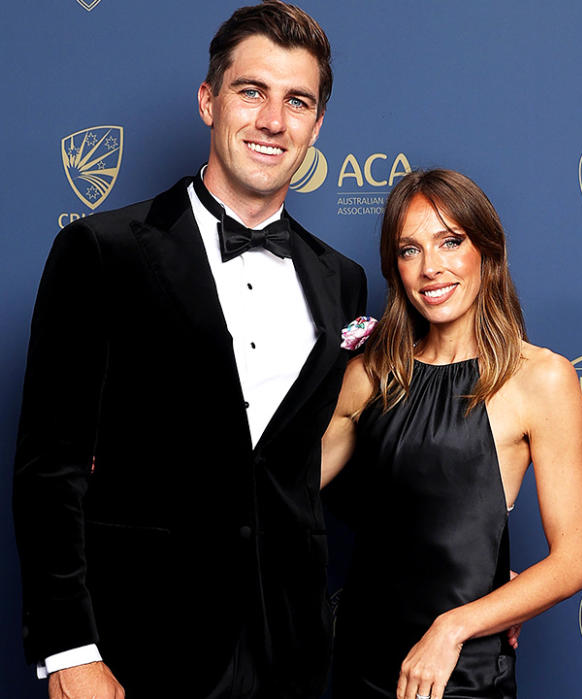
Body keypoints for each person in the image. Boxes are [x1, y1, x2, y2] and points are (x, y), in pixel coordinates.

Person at [12, 2, 367, 697]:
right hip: (136, 647)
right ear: (209, 100)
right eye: (251, 91)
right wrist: (69, 648)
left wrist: (474, 570)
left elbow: (309, 466)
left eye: (297, 101)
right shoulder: (101, 250)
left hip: (288, 652)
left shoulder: (342, 280)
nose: (273, 120)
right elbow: (50, 470)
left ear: (317, 125)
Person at [320, 168, 582, 699]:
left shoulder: (540, 378)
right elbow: (282, 490)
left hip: (459, 669)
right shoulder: (370, 374)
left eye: (450, 242)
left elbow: (573, 559)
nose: (431, 268)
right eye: (409, 250)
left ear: (486, 251)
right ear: (394, 267)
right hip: (360, 658)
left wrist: (456, 627)